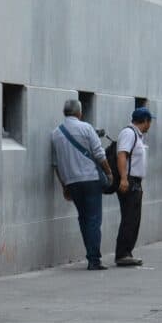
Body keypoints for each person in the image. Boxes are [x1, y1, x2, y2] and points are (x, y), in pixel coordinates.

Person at [51, 99, 114, 270]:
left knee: (84, 218)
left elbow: (55, 164)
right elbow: (99, 154)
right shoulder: (86, 128)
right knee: (94, 220)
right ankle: (94, 260)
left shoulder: (56, 133)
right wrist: (109, 173)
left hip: (72, 182)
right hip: (91, 179)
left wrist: (64, 186)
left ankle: (91, 256)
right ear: (79, 113)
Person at [113, 107, 155, 267]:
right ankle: (122, 254)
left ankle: (126, 253)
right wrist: (124, 179)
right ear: (145, 121)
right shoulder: (129, 133)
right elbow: (122, 155)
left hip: (135, 182)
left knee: (134, 218)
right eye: (150, 121)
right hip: (129, 181)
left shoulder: (137, 136)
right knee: (129, 218)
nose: (150, 125)